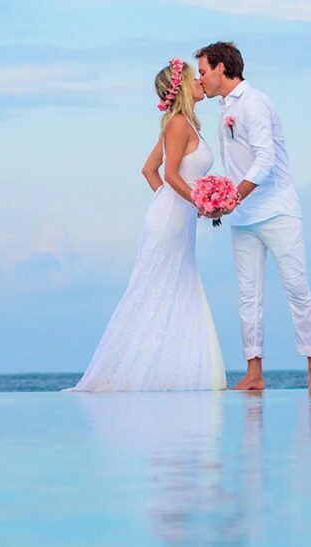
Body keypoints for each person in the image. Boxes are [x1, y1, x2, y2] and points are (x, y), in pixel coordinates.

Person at [71, 58, 226, 391]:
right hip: (169, 222)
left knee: (173, 289)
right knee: (155, 290)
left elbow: (149, 170)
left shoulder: (183, 123)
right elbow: (167, 175)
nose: (200, 81)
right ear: (182, 85)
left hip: (177, 218)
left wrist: (182, 204)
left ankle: (171, 371)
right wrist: (197, 203)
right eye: (193, 77)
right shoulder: (177, 124)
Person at [195, 41, 311, 392]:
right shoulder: (223, 109)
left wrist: (232, 198)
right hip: (243, 216)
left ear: (222, 68)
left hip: (277, 210)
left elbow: (265, 160)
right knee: (248, 294)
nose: (200, 79)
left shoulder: (255, 102)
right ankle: (254, 371)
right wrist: (221, 199)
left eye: (203, 71)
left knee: (297, 288)